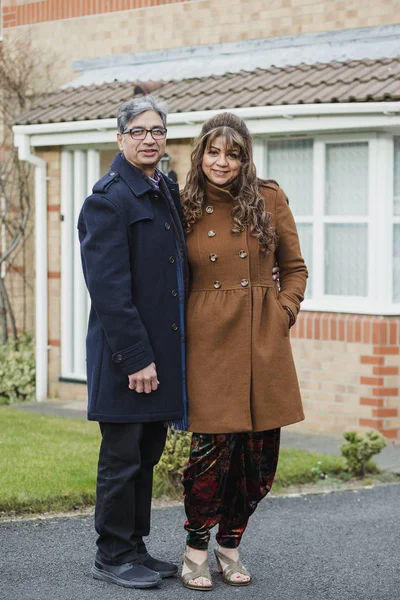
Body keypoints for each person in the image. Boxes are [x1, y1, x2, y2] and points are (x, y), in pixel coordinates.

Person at [180, 112, 308, 590]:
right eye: (214, 152)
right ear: (201, 155)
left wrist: (284, 311)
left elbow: (294, 267)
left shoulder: (268, 198)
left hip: (261, 339)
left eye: (232, 154)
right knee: (210, 456)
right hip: (208, 341)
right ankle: (195, 550)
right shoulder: (183, 203)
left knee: (258, 460)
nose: (222, 162)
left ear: (244, 157)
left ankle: (229, 546)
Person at [78, 95, 189, 589]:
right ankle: (112, 553)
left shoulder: (163, 187)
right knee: (122, 460)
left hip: (159, 357)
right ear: (120, 138)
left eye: (158, 131)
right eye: (139, 131)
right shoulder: (107, 199)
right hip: (128, 358)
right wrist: (136, 358)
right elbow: (108, 291)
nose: (150, 139)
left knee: (146, 455)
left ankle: (136, 547)